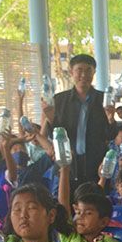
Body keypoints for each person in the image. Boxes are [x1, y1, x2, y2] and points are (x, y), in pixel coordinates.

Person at [42, 54, 113, 190]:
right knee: (66, 205)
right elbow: (56, 135)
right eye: (79, 70)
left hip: (96, 165)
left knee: (96, 207)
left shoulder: (103, 99)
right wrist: (51, 117)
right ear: (71, 72)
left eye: (88, 70)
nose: (84, 75)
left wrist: (111, 118)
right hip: (68, 165)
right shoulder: (59, 100)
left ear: (94, 72)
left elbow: (110, 135)